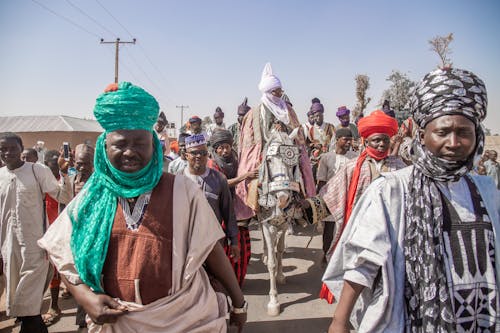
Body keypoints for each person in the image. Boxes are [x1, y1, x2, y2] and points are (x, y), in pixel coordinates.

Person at [38, 82, 247, 333]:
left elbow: (212, 250)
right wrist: (85, 298)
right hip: (116, 324)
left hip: (186, 319)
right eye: (120, 143)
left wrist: (238, 303)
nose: (130, 152)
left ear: (154, 147)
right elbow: (63, 257)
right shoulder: (91, 197)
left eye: (140, 143)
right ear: (105, 147)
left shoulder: (183, 190)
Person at [323, 67, 499, 333]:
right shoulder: (392, 188)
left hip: (483, 317)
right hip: (412, 320)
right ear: (423, 135)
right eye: (442, 132)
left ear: (477, 136)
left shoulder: (486, 189)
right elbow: (364, 259)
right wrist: (339, 320)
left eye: (464, 133)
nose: (454, 142)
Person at [303, 111, 405, 268]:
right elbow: (331, 194)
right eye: (376, 140)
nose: (382, 144)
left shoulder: (399, 167)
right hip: (360, 227)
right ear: (366, 142)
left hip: (391, 228)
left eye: (385, 140)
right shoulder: (354, 167)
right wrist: (308, 206)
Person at [0, 133, 72, 333]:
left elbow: (63, 195)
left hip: (35, 247)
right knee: (20, 301)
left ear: (21, 149)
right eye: (3, 149)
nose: (7, 153)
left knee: (28, 300)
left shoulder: (36, 170)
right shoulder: (1, 176)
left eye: (12, 148)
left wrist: (64, 174)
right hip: (8, 249)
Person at [235, 62, 315, 222]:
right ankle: (247, 211)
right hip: (265, 152)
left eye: (280, 91)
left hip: (288, 148)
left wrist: (284, 129)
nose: (280, 94)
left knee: (303, 168)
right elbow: (251, 141)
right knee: (250, 173)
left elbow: (297, 132)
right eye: (276, 91)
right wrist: (272, 135)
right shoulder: (255, 113)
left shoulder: (288, 110)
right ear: (269, 92)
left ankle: (303, 208)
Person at [207, 129, 258, 286]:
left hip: (238, 210)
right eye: (220, 148)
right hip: (221, 211)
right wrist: (244, 176)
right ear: (215, 149)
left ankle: (237, 282)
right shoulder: (212, 164)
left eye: (227, 147)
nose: (224, 151)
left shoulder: (237, 159)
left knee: (243, 251)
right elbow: (221, 183)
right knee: (225, 250)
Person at [183, 133, 240, 264]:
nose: (199, 156)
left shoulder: (219, 179)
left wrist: (234, 241)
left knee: (215, 282)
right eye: (194, 153)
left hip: (214, 244)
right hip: (186, 245)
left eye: (203, 152)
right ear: (186, 155)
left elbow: (228, 213)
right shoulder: (177, 179)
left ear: (207, 154)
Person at [315, 128, 358, 263]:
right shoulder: (327, 157)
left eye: (350, 139)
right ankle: (326, 253)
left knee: (346, 227)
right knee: (329, 229)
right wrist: (320, 202)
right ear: (338, 140)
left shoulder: (355, 157)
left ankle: (342, 257)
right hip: (330, 197)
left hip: (348, 197)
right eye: (345, 139)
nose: (349, 142)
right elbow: (321, 181)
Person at [42, 149, 66, 326]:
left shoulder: (65, 180)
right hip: (49, 229)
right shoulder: (43, 182)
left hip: (65, 229)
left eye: (52, 163)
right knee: (53, 269)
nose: (49, 166)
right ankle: (54, 306)